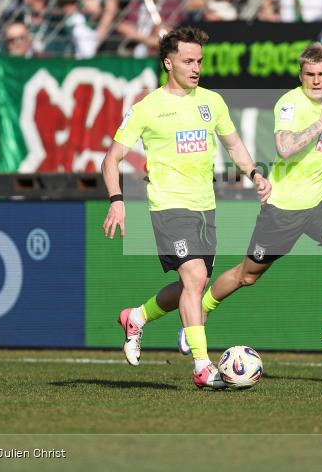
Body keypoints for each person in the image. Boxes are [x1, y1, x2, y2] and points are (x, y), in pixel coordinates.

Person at [102, 26, 271, 390]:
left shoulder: (212, 102)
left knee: (193, 283)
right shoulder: (146, 108)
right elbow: (110, 160)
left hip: (204, 207)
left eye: (200, 61)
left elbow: (234, 145)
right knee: (194, 278)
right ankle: (201, 366)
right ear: (168, 63)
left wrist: (254, 173)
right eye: (188, 60)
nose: (196, 68)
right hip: (168, 205)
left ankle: (136, 316)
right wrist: (117, 202)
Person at [182, 42, 322, 363]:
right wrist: (321, 122)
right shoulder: (291, 104)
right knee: (247, 276)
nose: (317, 81)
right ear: (301, 75)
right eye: (310, 74)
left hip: (319, 201)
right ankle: (201, 309)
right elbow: (284, 147)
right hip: (283, 209)